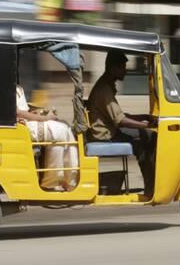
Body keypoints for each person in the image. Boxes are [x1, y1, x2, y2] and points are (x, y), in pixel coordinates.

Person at [87, 50, 157, 196]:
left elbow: (119, 115)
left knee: (147, 136)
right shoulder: (104, 89)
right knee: (149, 137)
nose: (125, 71)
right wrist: (147, 125)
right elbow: (120, 121)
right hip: (105, 136)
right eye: (122, 67)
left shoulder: (106, 85)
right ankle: (151, 187)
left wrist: (145, 117)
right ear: (113, 67)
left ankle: (152, 184)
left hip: (109, 131)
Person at [16, 85, 78, 192]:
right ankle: (54, 182)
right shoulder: (6, 85)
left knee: (65, 128)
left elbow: (22, 110)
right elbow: (18, 112)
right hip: (23, 127)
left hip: (26, 123)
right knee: (60, 131)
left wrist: (38, 113)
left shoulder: (17, 87)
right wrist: (45, 118)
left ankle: (67, 179)